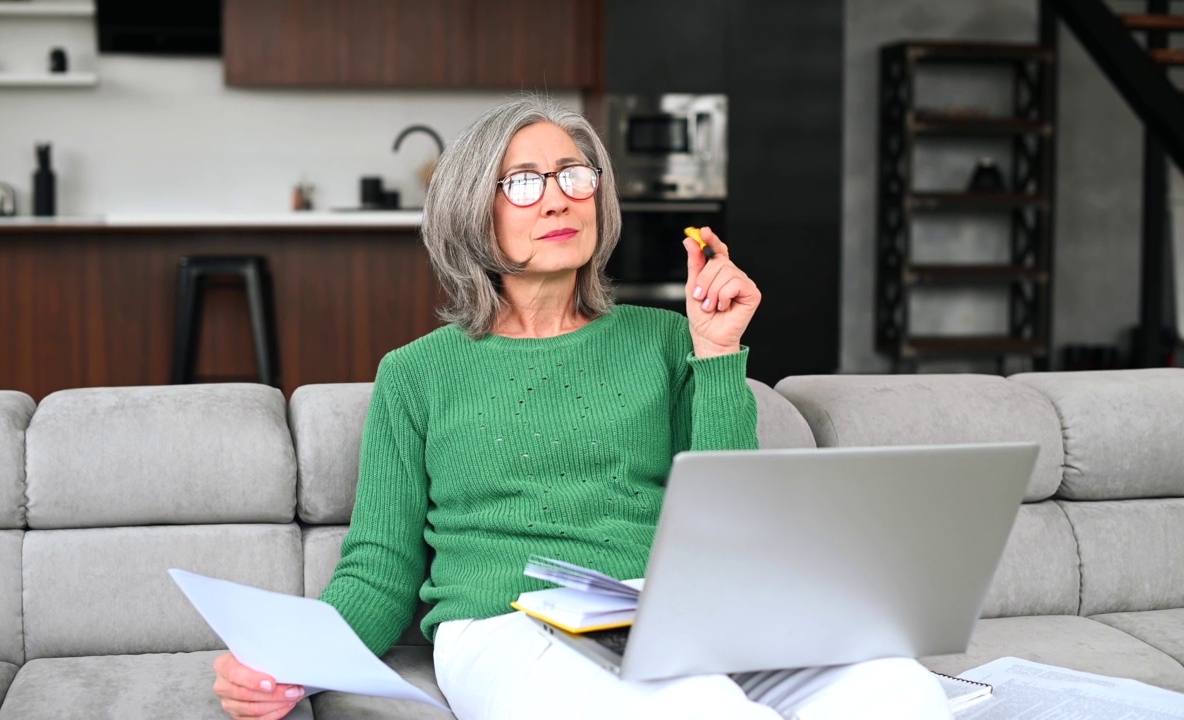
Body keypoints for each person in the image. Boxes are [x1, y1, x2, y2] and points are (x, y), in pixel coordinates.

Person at [212, 95, 951, 720]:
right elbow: (379, 569)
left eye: (573, 173)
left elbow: (733, 521)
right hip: (508, 625)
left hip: (666, 612)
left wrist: (718, 353)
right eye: (525, 182)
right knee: (701, 710)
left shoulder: (667, 339)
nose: (560, 195)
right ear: (475, 209)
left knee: (899, 691)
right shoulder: (416, 374)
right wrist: (289, 665)